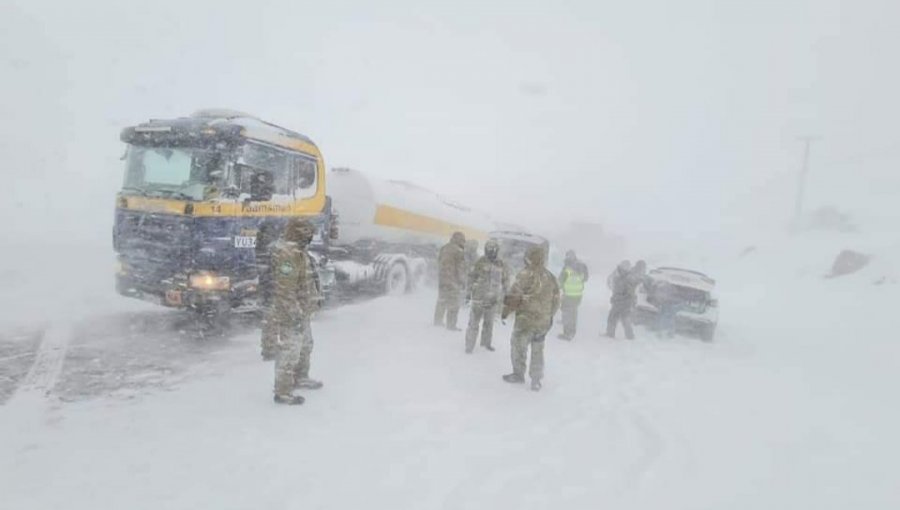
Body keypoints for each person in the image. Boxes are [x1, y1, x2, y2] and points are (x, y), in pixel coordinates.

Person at [270, 217, 322, 405]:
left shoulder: (300, 251)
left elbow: (308, 280)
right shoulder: (288, 254)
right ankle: (282, 391)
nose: (310, 238)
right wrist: (295, 313)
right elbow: (285, 290)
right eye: (308, 234)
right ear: (299, 233)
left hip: (303, 311)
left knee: (305, 346)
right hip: (292, 313)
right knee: (290, 350)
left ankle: (300, 377)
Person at [501, 245, 560, 391]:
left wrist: (505, 312)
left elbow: (514, 296)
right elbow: (557, 300)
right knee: (538, 350)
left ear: (528, 258)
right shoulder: (550, 276)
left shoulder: (525, 274)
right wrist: (549, 316)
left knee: (518, 347)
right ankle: (536, 380)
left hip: (525, 321)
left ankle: (518, 374)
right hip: (543, 322)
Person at [465, 239, 509, 353]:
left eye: (493, 249)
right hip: (478, 297)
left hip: (493, 299)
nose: (491, 251)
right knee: (474, 322)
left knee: (489, 323)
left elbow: (506, 279)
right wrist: (468, 293)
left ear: (497, 250)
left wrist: (506, 292)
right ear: (485, 249)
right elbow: (471, 277)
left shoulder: (501, 263)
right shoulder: (479, 262)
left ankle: (486, 344)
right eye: (489, 249)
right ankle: (469, 346)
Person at [256, 220, 280, 361]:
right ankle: (270, 348)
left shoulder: (263, 248)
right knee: (272, 320)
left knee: (269, 320)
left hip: (268, 288)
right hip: (273, 288)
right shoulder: (274, 250)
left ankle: (268, 347)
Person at [434, 231, 467, 331]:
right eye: (462, 240)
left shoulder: (444, 248)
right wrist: (462, 281)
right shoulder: (458, 251)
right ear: (459, 240)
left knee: (441, 300)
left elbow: (439, 261)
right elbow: (460, 268)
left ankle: (437, 321)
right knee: (454, 304)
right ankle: (451, 325)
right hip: (453, 281)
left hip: (442, 279)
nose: (463, 243)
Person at [557, 250, 589, 340]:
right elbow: (586, 278)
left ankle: (567, 334)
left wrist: (558, 287)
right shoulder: (582, 266)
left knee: (567, 314)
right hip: (578, 295)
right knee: (573, 314)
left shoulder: (567, 267)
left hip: (568, 294)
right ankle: (572, 332)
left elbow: (560, 281)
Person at [605, 260, 639, 340]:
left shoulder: (629, 279)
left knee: (622, 319)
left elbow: (631, 292)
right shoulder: (618, 277)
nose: (620, 269)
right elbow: (613, 286)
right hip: (618, 301)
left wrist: (628, 300)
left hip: (623, 302)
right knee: (616, 318)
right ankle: (612, 334)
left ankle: (629, 336)